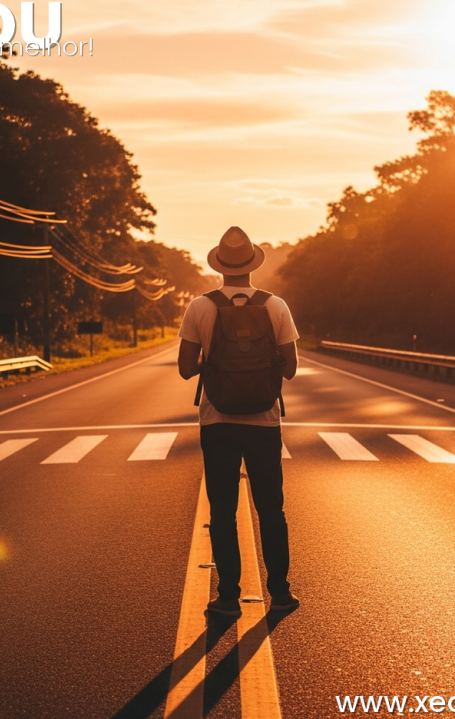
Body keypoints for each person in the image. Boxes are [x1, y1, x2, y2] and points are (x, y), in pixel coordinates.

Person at [178, 226, 300, 617]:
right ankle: (279, 593)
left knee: (223, 511)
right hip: (264, 421)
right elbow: (292, 369)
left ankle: (229, 596)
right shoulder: (275, 305)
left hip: (218, 421)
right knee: (271, 509)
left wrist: (216, 367)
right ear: (252, 264)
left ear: (220, 266)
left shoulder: (200, 307)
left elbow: (184, 369)